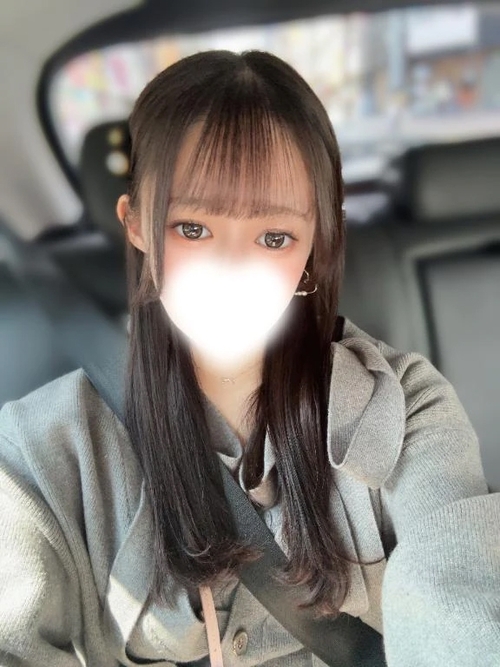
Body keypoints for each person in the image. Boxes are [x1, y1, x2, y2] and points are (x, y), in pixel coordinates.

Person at [1, 50, 499, 667]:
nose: (231, 271)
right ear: (136, 225)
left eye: (274, 237)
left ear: (315, 242)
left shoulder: (407, 410)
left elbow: (460, 594)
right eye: (192, 229)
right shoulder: (37, 457)